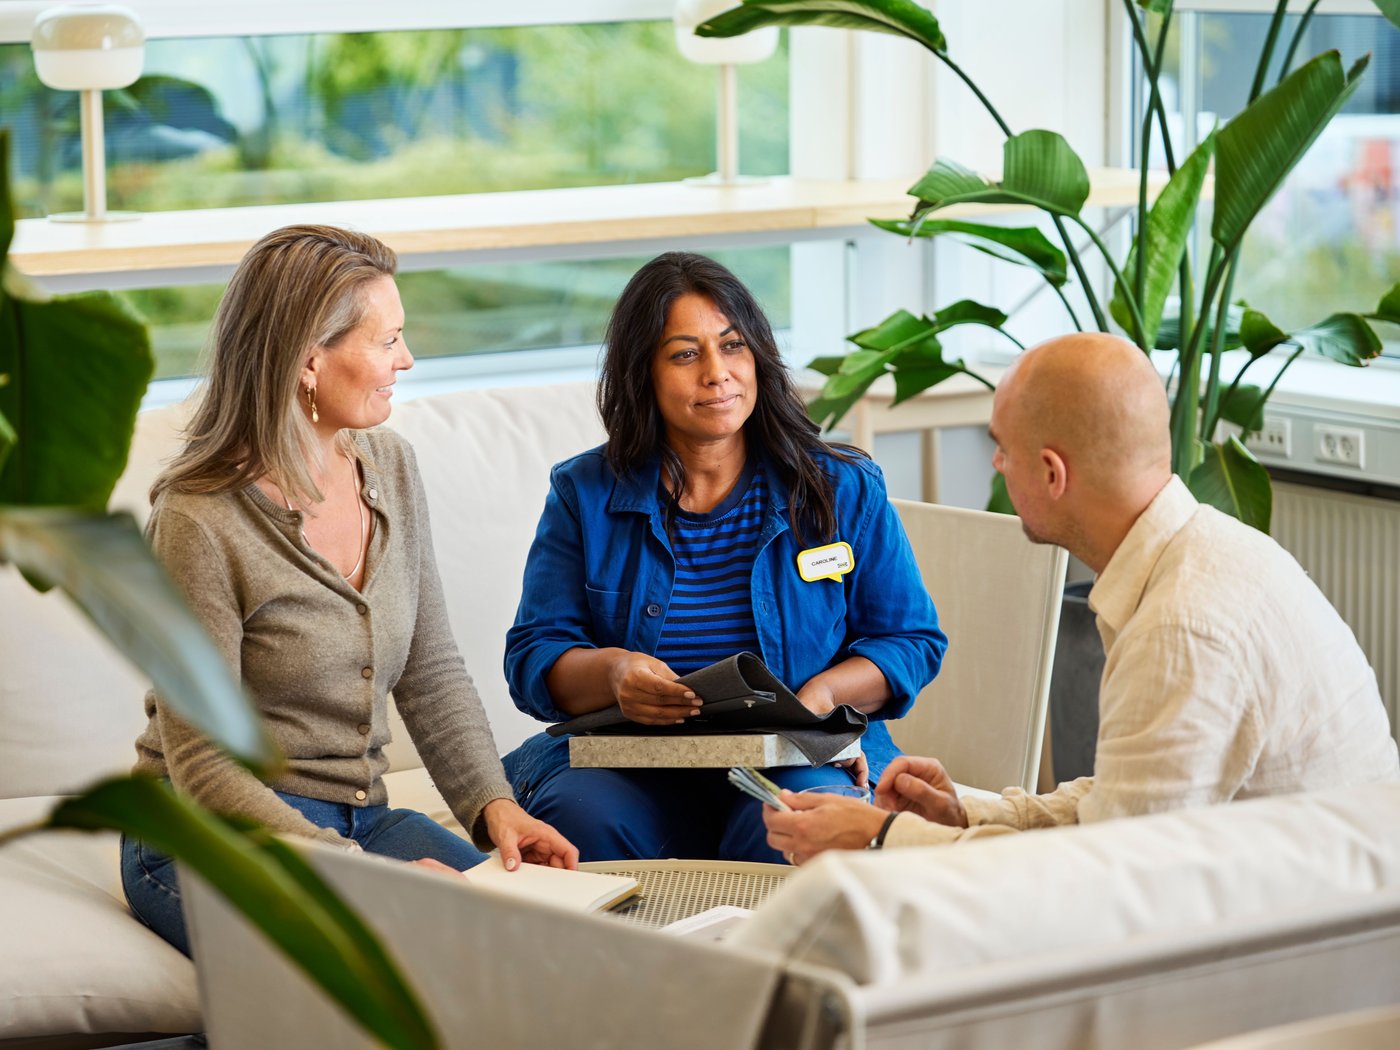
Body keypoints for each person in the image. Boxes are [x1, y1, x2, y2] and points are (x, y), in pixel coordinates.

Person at [763, 332, 1400, 863]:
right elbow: (1124, 803)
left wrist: (883, 839)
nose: (996, 468)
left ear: (1051, 472)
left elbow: (1108, 877)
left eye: (1002, 449)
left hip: (1299, 939)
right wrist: (972, 813)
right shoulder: (1201, 555)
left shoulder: (1183, 626)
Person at [122, 225, 577, 956]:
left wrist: (495, 808)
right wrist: (359, 877)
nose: (407, 359)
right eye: (387, 340)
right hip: (212, 832)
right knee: (386, 957)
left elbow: (432, 669)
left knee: (533, 945)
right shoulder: (198, 521)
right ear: (309, 360)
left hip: (361, 816)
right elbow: (203, 761)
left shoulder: (389, 466)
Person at [502, 251, 947, 863]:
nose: (718, 373)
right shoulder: (584, 494)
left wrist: (815, 703)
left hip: (794, 754)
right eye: (685, 354)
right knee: (579, 820)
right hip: (636, 763)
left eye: (733, 346)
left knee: (799, 821)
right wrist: (613, 673)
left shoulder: (842, 487)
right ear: (644, 374)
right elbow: (534, 652)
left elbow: (911, 640)